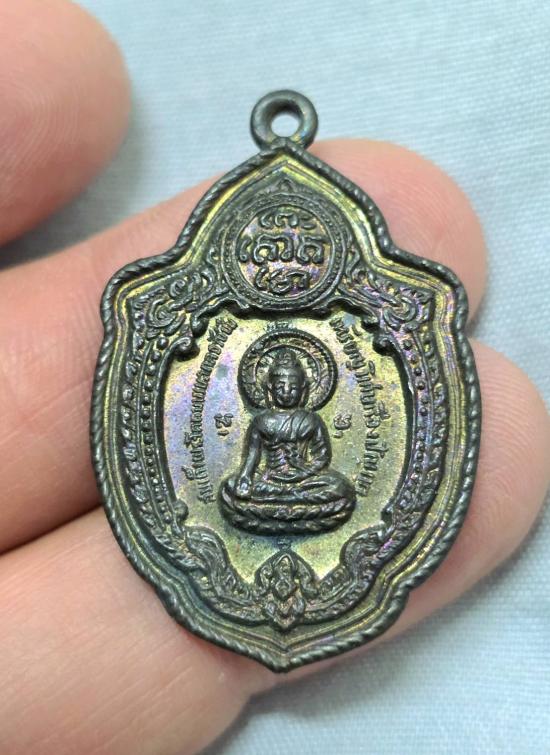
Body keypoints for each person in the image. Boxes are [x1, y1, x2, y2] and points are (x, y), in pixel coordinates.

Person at [0, 2, 548, 753]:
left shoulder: (308, 417)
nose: (287, 391)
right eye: (278, 381)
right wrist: (255, 482)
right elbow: (252, 471)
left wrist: (303, 478)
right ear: (264, 384)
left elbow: (318, 466)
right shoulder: (263, 419)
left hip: (312, 500)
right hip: (260, 502)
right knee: (240, 491)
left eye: (295, 382)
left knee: (333, 489)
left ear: (308, 384)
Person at [221, 349, 354, 525]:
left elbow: (322, 456)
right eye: (280, 387)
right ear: (270, 389)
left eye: (293, 388)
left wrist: (302, 473)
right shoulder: (261, 421)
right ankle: (298, 507)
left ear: (303, 389)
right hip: (270, 478)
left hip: (304, 480)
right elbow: (252, 456)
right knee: (230, 486)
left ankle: (274, 509)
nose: (286, 392)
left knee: (339, 487)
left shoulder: (311, 420)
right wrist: (245, 478)